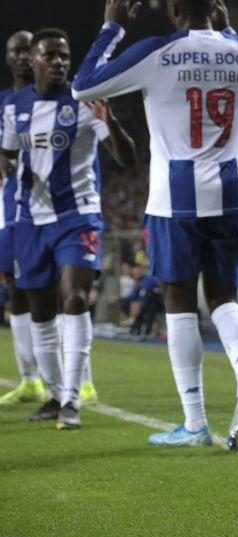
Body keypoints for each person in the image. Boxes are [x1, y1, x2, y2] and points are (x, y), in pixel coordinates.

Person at [72, 0, 238, 449]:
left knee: (178, 302)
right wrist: (229, 35)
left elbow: (84, 87)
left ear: (173, 11)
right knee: (225, 297)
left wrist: (111, 28)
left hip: (173, 201)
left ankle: (195, 423)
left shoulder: (157, 52)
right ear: (215, 5)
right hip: (229, 195)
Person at [1, 28, 137, 429]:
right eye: (51, 56)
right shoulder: (14, 108)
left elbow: (127, 158)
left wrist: (109, 120)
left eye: (65, 55)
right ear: (34, 61)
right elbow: (8, 151)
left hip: (77, 217)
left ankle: (73, 401)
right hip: (30, 221)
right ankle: (54, 394)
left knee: (75, 299)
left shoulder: (82, 101)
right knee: (40, 313)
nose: (59, 62)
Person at [0, 30, 47, 407]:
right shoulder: (3, 103)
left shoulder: (52, 98)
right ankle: (29, 378)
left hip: (48, 209)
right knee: (15, 291)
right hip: (10, 209)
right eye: (14, 51)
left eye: (25, 51)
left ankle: (75, 380)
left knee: (52, 291)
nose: (20, 57)